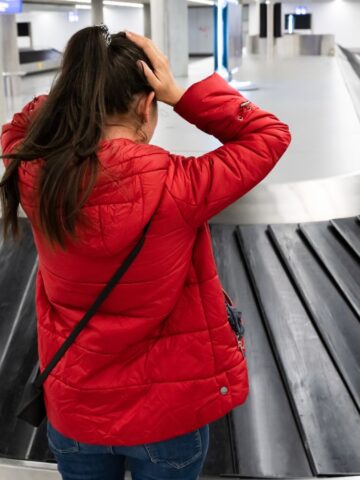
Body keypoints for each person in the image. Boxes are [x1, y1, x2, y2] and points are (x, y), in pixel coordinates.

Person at [0, 25, 291, 480]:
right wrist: (180, 93)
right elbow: (268, 134)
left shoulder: (35, 173)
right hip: (166, 421)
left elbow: (17, 126)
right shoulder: (180, 185)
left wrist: (76, 86)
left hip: (75, 413)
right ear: (145, 104)